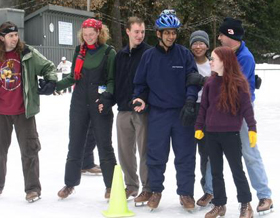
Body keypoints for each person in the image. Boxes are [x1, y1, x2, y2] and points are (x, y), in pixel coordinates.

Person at [133, 10, 200, 210]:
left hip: (182, 114)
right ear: (159, 33)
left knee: (186, 156)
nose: (171, 36)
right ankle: (155, 191)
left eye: (174, 32)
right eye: (167, 32)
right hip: (158, 114)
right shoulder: (148, 56)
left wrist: (189, 102)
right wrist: (140, 98)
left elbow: (192, 81)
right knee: (155, 155)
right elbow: (140, 84)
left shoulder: (185, 54)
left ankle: (186, 193)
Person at [56, 18, 117, 199]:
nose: (88, 37)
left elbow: (112, 80)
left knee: (104, 145)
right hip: (79, 103)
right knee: (74, 143)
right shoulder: (79, 51)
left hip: (99, 103)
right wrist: (53, 86)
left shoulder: (109, 53)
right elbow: (72, 77)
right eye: (85, 34)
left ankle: (111, 186)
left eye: (92, 34)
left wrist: (106, 98)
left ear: (99, 33)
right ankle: (69, 184)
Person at [218, 17, 273, 214]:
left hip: (241, 110)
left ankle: (265, 195)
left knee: (249, 152)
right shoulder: (225, 53)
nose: (219, 37)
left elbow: (234, 87)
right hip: (224, 108)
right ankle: (212, 193)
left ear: (231, 36)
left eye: (222, 34)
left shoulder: (245, 58)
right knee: (213, 151)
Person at [195, 46, 255, 218]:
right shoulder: (210, 83)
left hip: (231, 135)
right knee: (215, 172)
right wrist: (199, 127)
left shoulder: (238, 83)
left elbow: (247, 108)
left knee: (237, 170)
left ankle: (246, 204)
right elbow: (204, 108)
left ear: (225, 61)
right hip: (212, 134)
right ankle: (219, 204)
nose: (211, 61)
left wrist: (252, 128)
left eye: (213, 59)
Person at [0, 21, 57, 202]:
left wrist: (51, 81)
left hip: (24, 111)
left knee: (30, 150)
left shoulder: (27, 53)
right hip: (1, 113)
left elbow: (48, 66)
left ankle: (32, 189)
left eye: (16, 35)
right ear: (2, 38)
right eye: (11, 36)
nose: (15, 39)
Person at [114, 17, 151, 205]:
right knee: (125, 151)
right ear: (127, 31)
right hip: (123, 109)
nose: (140, 35)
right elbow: (116, 81)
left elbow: (151, 82)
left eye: (142, 32)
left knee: (145, 150)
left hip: (142, 110)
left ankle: (147, 187)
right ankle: (130, 184)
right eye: (136, 31)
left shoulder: (149, 53)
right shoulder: (120, 55)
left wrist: (144, 99)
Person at [188, 30, 213, 207]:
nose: (198, 46)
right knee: (188, 153)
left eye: (201, 43)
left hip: (209, 111)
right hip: (189, 109)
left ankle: (209, 191)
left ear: (207, 45)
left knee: (207, 153)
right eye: (195, 43)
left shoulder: (213, 63)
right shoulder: (186, 62)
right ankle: (186, 193)